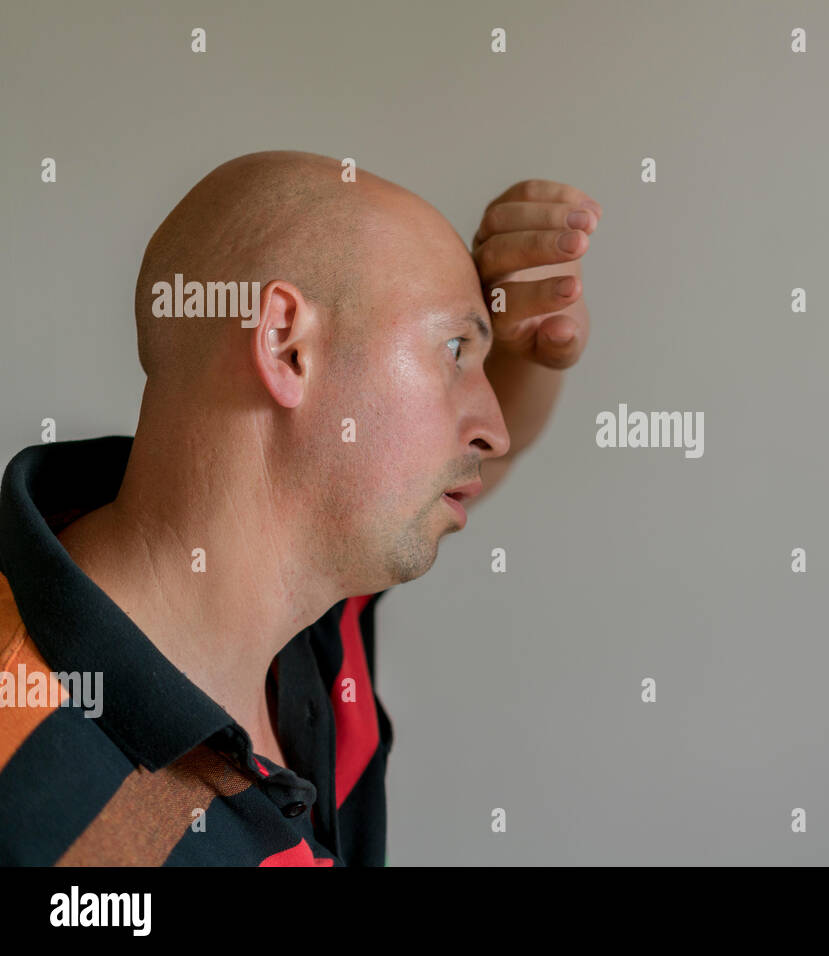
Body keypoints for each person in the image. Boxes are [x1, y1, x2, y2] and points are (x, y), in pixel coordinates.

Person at [0, 151, 600, 865]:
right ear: (286, 347)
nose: (493, 430)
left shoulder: (308, 621)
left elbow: (442, 475)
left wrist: (532, 349)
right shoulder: (30, 797)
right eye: (452, 349)